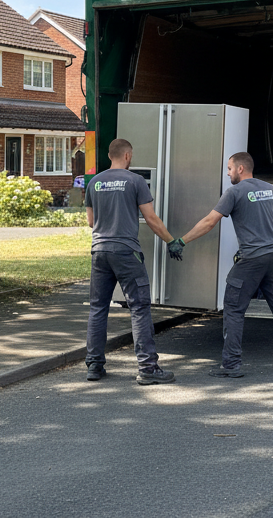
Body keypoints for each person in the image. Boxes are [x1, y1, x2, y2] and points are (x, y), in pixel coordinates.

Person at [170, 151, 273, 377]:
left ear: (241, 169)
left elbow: (209, 222)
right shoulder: (269, 188)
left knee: (233, 308)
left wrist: (182, 240)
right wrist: (262, 220)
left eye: (230, 168)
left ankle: (231, 365)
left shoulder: (234, 192)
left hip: (252, 258)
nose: (228, 172)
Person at [84, 138, 178, 385]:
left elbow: (91, 222)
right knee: (139, 307)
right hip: (126, 252)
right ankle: (148, 368)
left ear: (109, 155)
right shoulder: (135, 181)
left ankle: (94, 365)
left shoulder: (94, 182)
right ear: (127, 156)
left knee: (98, 308)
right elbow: (152, 219)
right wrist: (171, 241)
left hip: (99, 251)